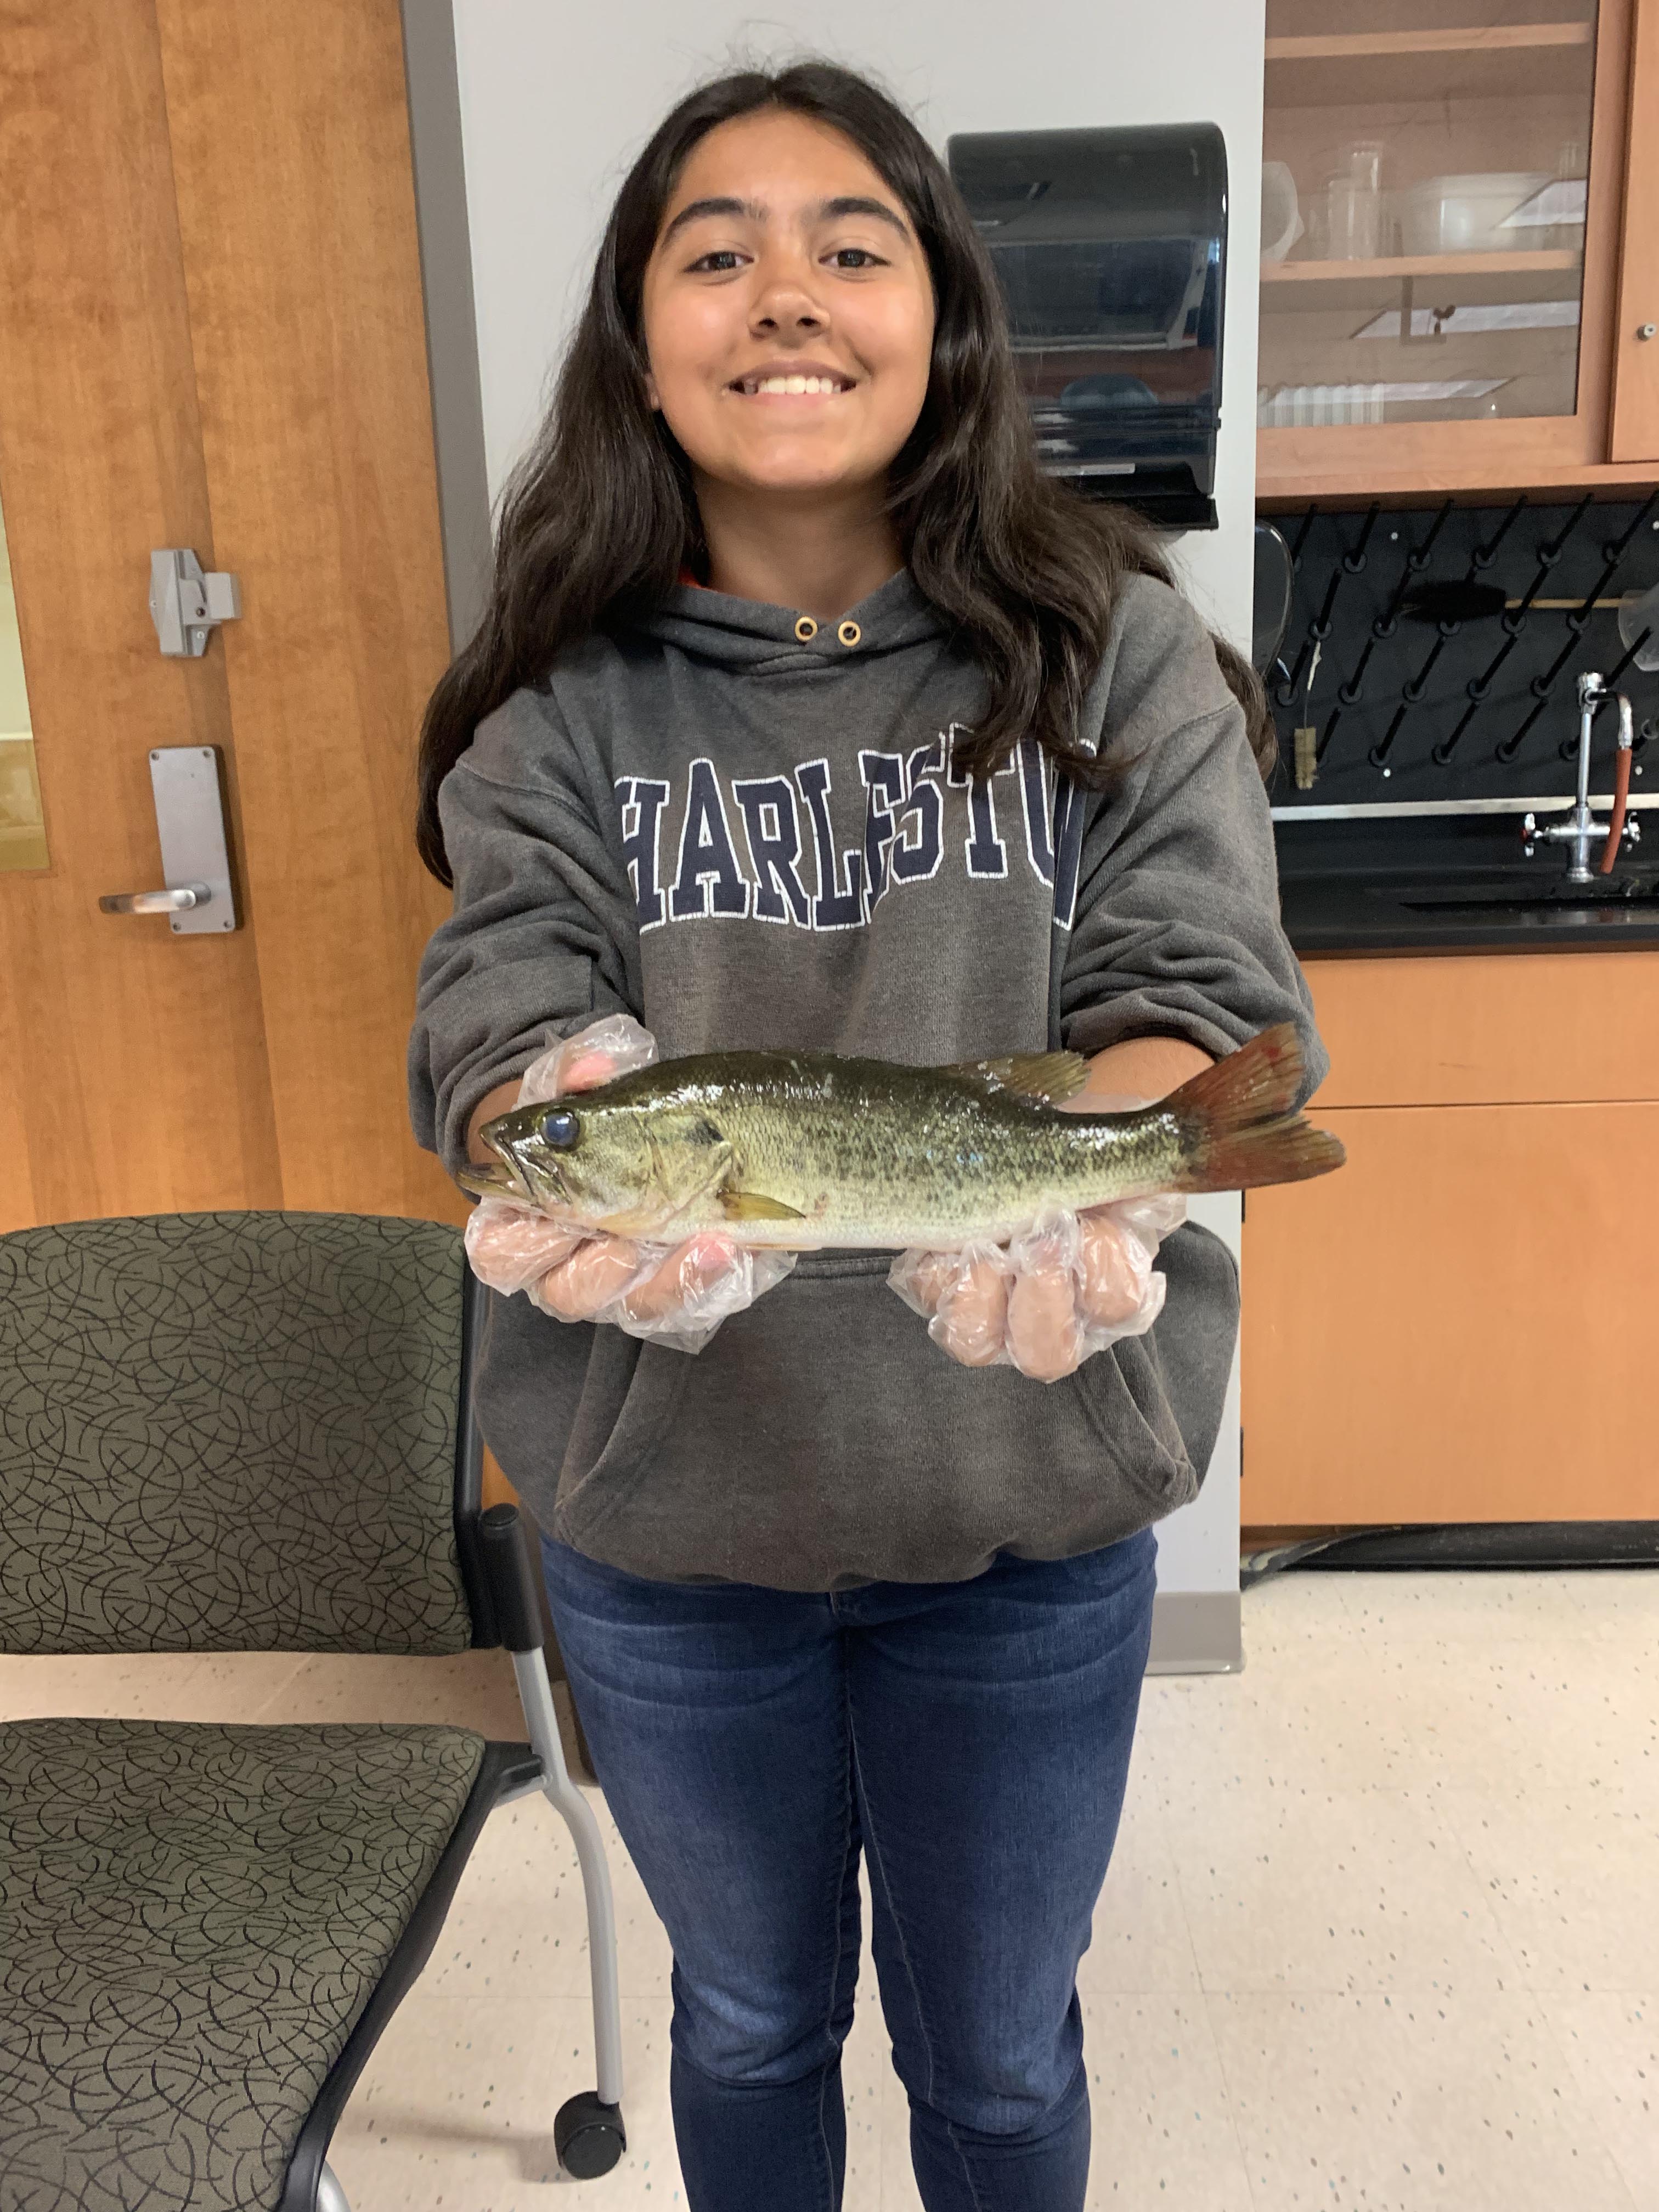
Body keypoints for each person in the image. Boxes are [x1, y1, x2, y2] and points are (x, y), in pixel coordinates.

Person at [408, 58, 1325, 2212]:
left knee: (998, 2065)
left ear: (949, 318)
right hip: (666, 1542)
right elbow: (501, 989)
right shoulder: (553, 704)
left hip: (1025, 1518)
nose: (785, 296)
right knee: (743, 2022)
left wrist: (1091, 1165)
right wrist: (537, 1103)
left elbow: (1196, 992)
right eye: (714, 253)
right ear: (643, 340)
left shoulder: (1120, 653)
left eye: (853, 245)